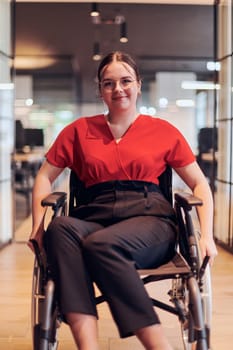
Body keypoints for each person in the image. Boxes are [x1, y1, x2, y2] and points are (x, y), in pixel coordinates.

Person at [28, 51, 218, 350]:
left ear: (138, 85)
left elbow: (199, 184)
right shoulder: (78, 130)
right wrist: (39, 227)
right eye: (109, 83)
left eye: (126, 81)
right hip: (93, 214)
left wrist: (205, 236)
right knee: (61, 229)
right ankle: (87, 345)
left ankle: (159, 346)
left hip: (149, 219)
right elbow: (43, 177)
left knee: (102, 243)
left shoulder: (163, 131)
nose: (118, 89)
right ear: (101, 90)